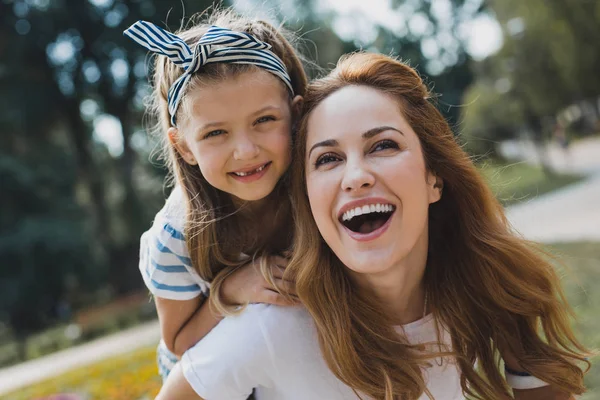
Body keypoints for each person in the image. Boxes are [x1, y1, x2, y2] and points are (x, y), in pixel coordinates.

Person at [157, 52, 589, 400]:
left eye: (383, 145)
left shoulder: (491, 290)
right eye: (327, 159)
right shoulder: (270, 327)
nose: (356, 176)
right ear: (306, 197)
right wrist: (227, 293)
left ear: (433, 177)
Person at [124, 9, 306, 380]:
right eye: (215, 134)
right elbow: (177, 342)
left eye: (264, 121)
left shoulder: (322, 191)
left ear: (296, 113)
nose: (245, 151)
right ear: (185, 147)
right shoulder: (175, 238)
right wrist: (233, 289)